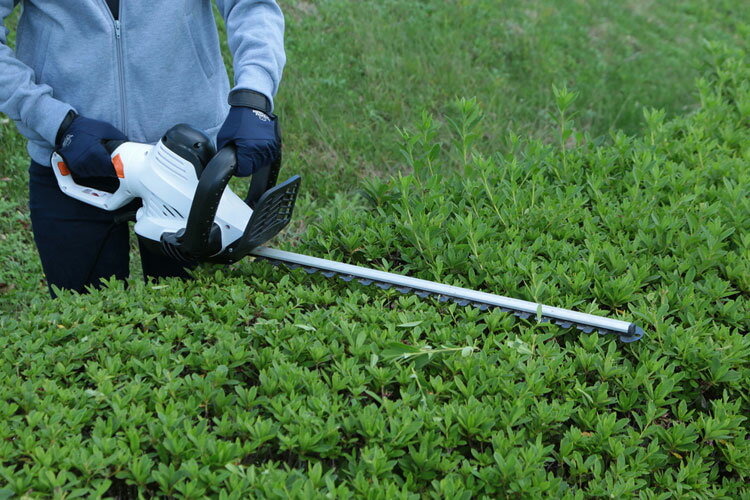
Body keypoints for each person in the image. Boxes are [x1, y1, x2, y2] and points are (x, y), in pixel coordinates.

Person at [0, 0, 285, 296]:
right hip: (75, 159)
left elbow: (251, 6)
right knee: (84, 325)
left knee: (194, 323)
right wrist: (53, 120)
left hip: (185, 161)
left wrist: (254, 96)